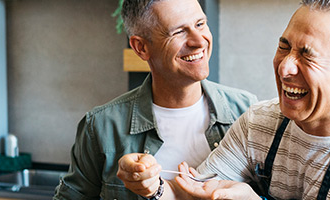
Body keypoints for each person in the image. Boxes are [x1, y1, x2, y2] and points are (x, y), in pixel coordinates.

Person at [116, 0, 330, 199]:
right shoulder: (259, 122)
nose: (285, 67)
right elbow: (192, 193)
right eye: (284, 47)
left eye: (307, 56)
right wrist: (152, 186)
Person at [52, 0, 258, 199]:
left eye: (200, 24)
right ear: (141, 47)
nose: (198, 41)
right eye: (178, 32)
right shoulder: (100, 126)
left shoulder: (248, 112)